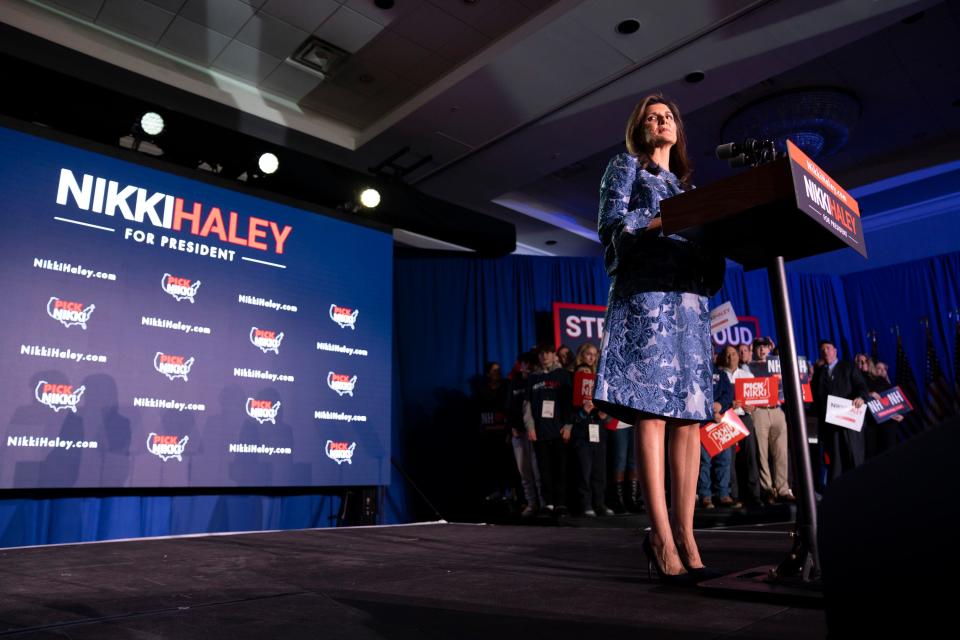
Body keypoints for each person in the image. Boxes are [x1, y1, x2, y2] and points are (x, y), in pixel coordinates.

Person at [593, 94, 725, 581]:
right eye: (652, 117)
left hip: (689, 306)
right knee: (653, 415)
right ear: (639, 128)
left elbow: (710, 250)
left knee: (690, 420)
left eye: (668, 116)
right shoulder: (626, 167)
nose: (661, 121)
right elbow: (610, 227)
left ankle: (688, 536)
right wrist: (660, 222)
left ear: (678, 130)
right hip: (647, 300)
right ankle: (661, 537)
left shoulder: (688, 186)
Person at [523, 344, 573, 516]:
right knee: (544, 470)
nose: (544, 356)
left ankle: (560, 503)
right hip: (540, 430)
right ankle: (548, 503)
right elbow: (527, 404)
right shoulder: (532, 378)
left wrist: (568, 425)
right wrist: (530, 426)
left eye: (548, 353)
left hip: (559, 429)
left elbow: (569, 403)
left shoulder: (563, 375)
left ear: (554, 355)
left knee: (561, 468)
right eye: (542, 353)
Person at [811, 339, 870, 482]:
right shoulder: (819, 373)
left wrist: (861, 398)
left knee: (854, 457)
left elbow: (861, 386)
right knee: (835, 463)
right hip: (831, 426)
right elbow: (814, 398)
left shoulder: (848, 366)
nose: (825, 351)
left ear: (835, 351)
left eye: (828, 348)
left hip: (850, 422)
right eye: (822, 349)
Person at [750, 337, 795, 504]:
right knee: (762, 453)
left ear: (770, 349)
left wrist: (775, 352)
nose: (762, 350)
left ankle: (783, 488)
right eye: (758, 347)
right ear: (754, 349)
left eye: (765, 347)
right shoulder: (748, 366)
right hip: (760, 412)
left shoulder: (777, 365)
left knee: (781, 452)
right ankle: (768, 489)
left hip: (777, 410)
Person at [571, 343, 614, 516]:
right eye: (588, 354)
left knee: (599, 471)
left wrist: (605, 414)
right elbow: (569, 416)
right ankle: (586, 504)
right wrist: (582, 412)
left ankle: (599, 503)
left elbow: (608, 410)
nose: (591, 357)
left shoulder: (600, 379)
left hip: (598, 430)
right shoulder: (573, 379)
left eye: (594, 354)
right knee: (584, 471)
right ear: (581, 355)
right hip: (582, 433)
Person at [505, 351, 542, 517]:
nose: (527, 367)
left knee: (538, 471)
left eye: (530, 363)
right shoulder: (514, 382)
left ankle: (543, 504)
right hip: (518, 433)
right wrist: (512, 427)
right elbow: (509, 407)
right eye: (524, 363)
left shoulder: (538, 381)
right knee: (524, 472)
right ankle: (531, 503)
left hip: (536, 432)